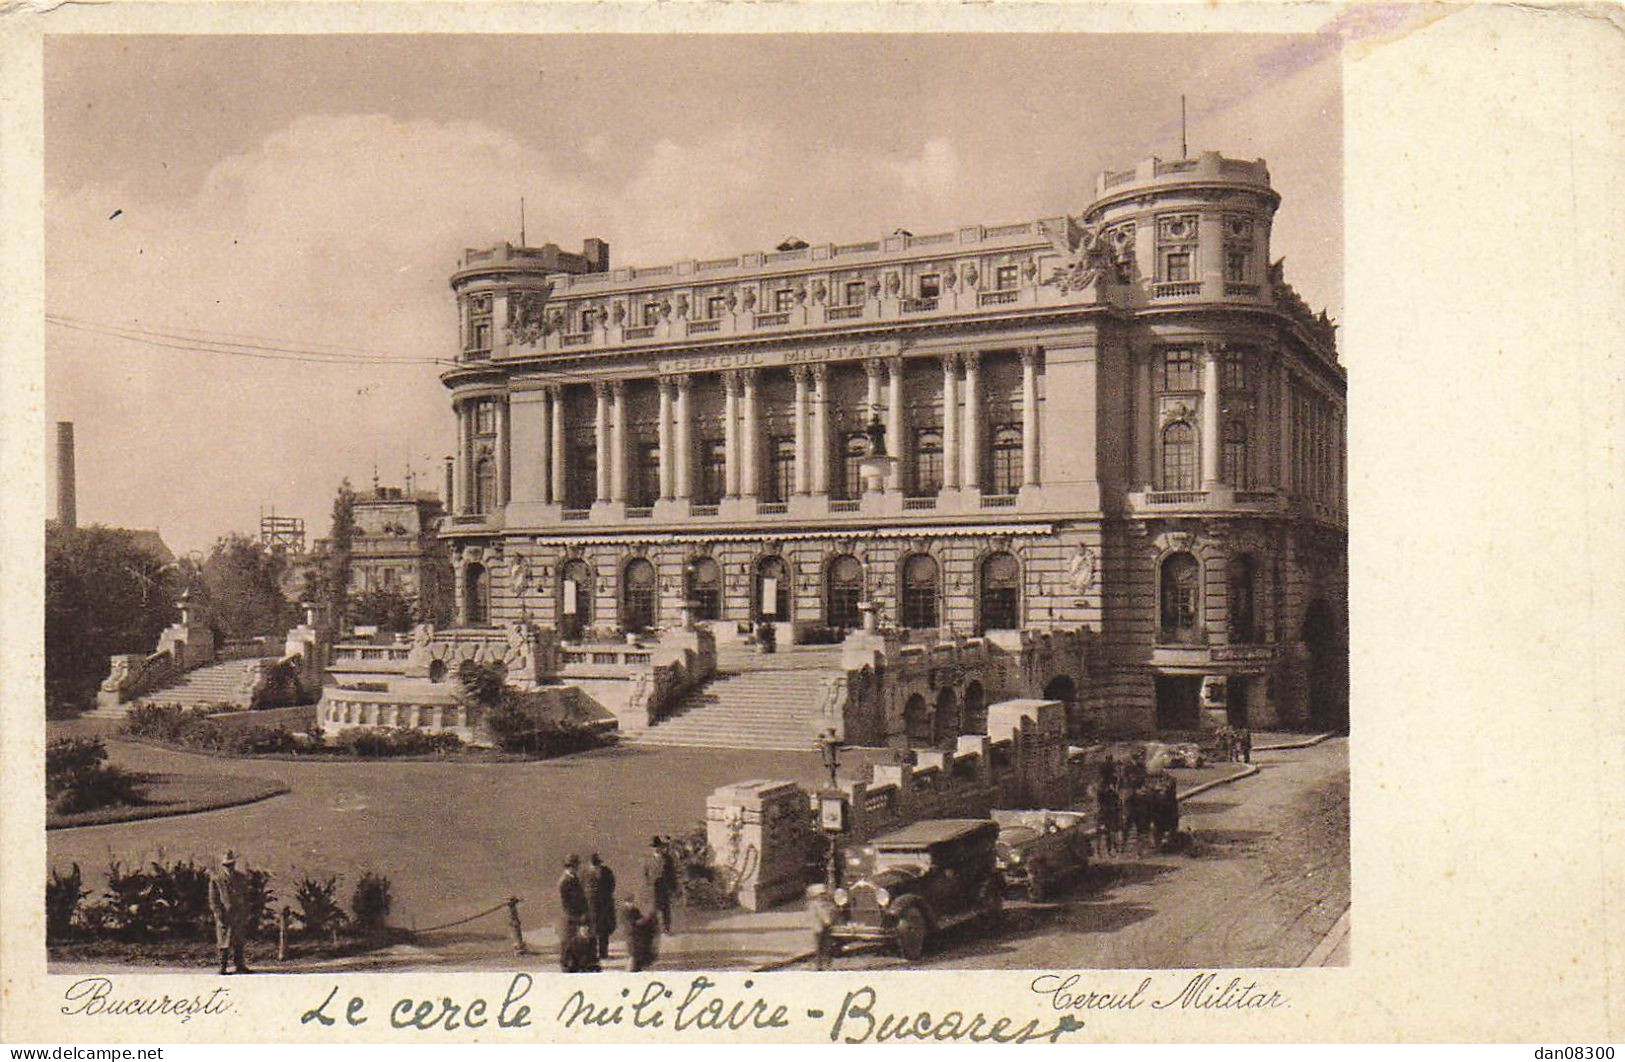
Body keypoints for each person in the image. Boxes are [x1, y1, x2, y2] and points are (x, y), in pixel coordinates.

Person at [208, 850, 253, 975]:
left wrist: (245, 911)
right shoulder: (216, 880)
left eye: (231, 864)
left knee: (239, 940)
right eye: (227, 865)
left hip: (238, 914)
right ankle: (222, 966)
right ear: (223, 866)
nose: (229, 867)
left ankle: (240, 965)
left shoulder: (241, 878)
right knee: (224, 941)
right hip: (224, 915)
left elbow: (246, 896)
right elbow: (214, 899)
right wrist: (218, 913)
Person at [557, 855, 593, 972]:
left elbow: (581, 898)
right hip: (570, 916)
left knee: (575, 941)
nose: (576, 868)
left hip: (577, 914)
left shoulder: (573, 878)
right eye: (574, 866)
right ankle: (566, 964)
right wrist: (576, 916)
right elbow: (565, 903)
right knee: (568, 941)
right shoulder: (565, 881)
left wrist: (584, 912)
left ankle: (573, 963)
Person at [582, 853, 617, 960]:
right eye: (593, 865)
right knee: (592, 931)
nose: (595, 867)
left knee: (604, 931)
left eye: (597, 864)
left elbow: (612, 885)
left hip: (605, 905)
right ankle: (591, 955)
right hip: (591, 907)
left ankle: (603, 954)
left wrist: (606, 897)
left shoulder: (606, 871)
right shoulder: (584, 873)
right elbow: (581, 888)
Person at [642, 836, 677, 934]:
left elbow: (672, 874)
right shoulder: (648, 860)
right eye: (653, 847)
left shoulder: (667, 859)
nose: (655, 849)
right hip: (653, 888)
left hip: (664, 887)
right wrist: (647, 886)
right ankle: (653, 928)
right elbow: (645, 874)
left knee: (665, 909)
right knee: (653, 908)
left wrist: (673, 888)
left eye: (657, 846)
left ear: (661, 847)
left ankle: (666, 928)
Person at [620, 899, 660, 972]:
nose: (631, 904)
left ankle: (634, 968)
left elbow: (638, 921)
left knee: (636, 955)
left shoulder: (634, 910)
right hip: (633, 936)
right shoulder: (627, 912)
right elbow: (633, 923)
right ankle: (632, 969)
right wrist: (646, 919)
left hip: (636, 936)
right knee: (634, 955)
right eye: (629, 902)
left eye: (631, 902)